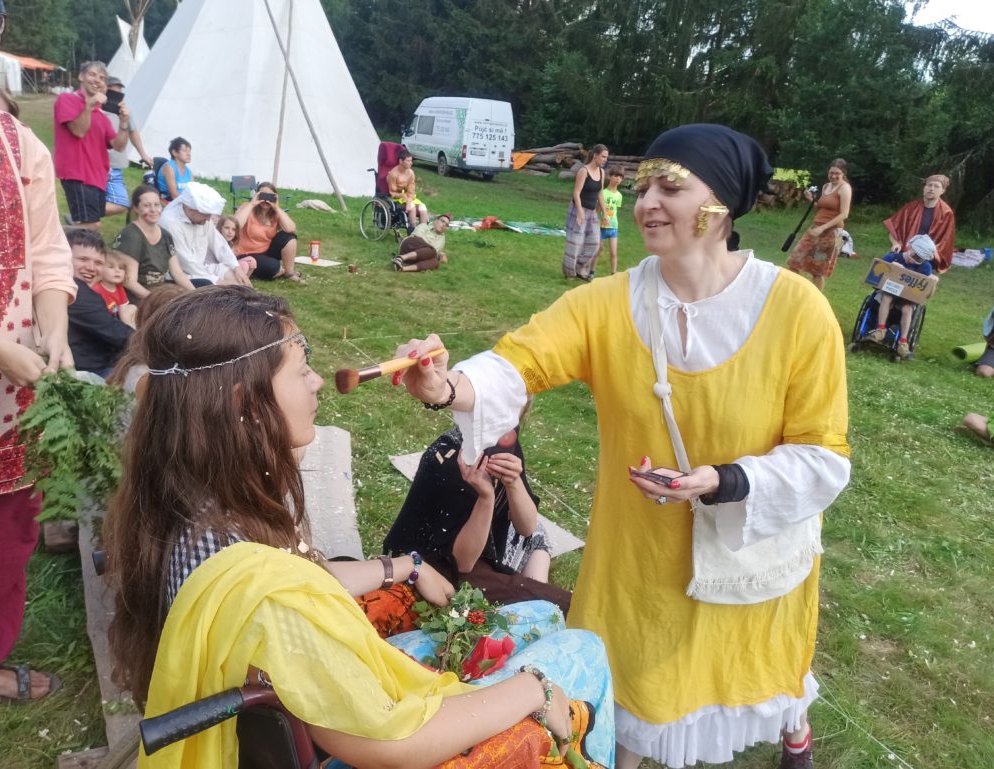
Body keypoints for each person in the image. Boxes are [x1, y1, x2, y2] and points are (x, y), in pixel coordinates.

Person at [395, 123, 851, 769]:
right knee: (631, 686)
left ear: (722, 203)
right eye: (642, 188)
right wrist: (447, 387)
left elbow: (822, 452)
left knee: (759, 661)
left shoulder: (797, 310)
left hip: (746, 536)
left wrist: (725, 480)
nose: (646, 204)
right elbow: (520, 361)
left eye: (671, 187)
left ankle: (792, 728)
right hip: (639, 550)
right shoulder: (608, 302)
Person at [104, 286, 615, 769]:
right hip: (374, 740)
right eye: (302, 369)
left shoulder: (197, 502)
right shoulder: (266, 594)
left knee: (539, 615)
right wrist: (533, 688)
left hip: (319, 709)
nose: (318, 381)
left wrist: (406, 565)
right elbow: (394, 741)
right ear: (247, 404)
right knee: (584, 650)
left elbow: (306, 578)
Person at [0, 0, 77, 703]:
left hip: (8, 385)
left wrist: (54, 330)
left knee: (3, 522)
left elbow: (47, 250)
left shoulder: (18, 141)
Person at [383, 420, 572, 611]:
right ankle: (537, 603)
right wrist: (486, 497)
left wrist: (513, 482)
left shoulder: (502, 439)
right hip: (440, 570)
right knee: (562, 606)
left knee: (538, 533)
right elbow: (461, 565)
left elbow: (527, 528)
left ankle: (537, 599)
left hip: (483, 550)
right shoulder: (451, 460)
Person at [53, 60, 129, 230]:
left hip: (98, 178)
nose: (97, 80)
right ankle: (51, 237)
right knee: (91, 226)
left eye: (102, 78)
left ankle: (55, 236)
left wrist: (124, 123)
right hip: (78, 174)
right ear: (81, 76)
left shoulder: (101, 116)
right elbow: (78, 131)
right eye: (92, 74)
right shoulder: (67, 99)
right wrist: (89, 105)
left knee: (89, 227)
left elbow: (119, 146)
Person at [66, 229, 133, 377]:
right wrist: (153, 342)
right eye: (83, 259)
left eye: (98, 263)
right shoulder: (75, 292)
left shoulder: (80, 289)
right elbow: (117, 333)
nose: (91, 267)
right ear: (64, 257)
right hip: (93, 370)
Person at [160, 182, 254, 287]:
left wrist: (237, 268)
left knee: (233, 276)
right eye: (206, 215)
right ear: (191, 209)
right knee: (217, 285)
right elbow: (187, 263)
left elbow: (219, 244)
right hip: (181, 275)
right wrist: (218, 281)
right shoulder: (171, 223)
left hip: (201, 268)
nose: (209, 219)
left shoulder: (201, 218)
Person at [111, 184, 195, 300]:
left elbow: (177, 273)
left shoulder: (165, 235)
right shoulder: (131, 235)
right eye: (146, 205)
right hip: (138, 296)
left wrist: (197, 296)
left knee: (203, 285)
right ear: (136, 208)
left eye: (157, 205)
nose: (153, 210)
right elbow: (129, 282)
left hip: (159, 290)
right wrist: (156, 301)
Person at [865, 234, 937, 357]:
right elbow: (875, 276)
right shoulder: (893, 257)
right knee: (887, 297)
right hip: (888, 293)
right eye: (914, 256)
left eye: (919, 260)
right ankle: (880, 330)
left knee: (908, 308)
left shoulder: (925, 267)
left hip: (907, 299)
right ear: (910, 247)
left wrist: (933, 283)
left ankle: (903, 343)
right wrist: (890, 268)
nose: (914, 261)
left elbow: (925, 295)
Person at [786, 159, 852, 291]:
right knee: (794, 260)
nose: (833, 176)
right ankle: (797, 291)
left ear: (843, 173)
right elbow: (822, 209)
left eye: (837, 173)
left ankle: (815, 298)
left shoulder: (845, 188)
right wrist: (811, 199)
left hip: (832, 234)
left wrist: (823, 228)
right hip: (815, 229)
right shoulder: (826, 186)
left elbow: (844, 214)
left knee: (818, 269)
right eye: (831, 172)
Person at [102, 75, 153, 217]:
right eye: (113, 92)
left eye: (119, 93)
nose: (116, 96)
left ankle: (86, 216)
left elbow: (133, 131)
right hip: (99, 162)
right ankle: (85, 216)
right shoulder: (95, 109)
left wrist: (143, 154)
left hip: (116, 163)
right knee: (102, 198)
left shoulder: (124, 111)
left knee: (120, 203)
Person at [884, 174, 956, 273]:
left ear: (942, 191)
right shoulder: (910, 208)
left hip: (923, 259)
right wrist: (895, 243)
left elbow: (945, 242)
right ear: (924, 187)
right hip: (905, 254)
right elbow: (894, 231)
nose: (931, 189)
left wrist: (932, 254)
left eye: (936, 186)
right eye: (929, 185)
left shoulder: (946, 213)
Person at [236, 181, 301, 282]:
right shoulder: (247, 207)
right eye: (263, 196)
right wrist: (252, 204)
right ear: (257, 195)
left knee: (289, 237)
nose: (266, 200)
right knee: (273, 266)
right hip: (246, 253)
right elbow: (236, 224)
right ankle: (276, 270)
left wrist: (276, 207)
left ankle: (289, 273)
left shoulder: (275, 213)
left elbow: (291, 228)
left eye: (270, 196)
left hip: (266, 251)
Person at [563, 144, 609, 282]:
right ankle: (569, 272)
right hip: (578, 209)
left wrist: (605, 213)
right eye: (603, 156)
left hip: (592, 212)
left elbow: (600, 193)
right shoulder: (584, 171)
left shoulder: (602, 172)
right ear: (595, 155)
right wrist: (580, 212)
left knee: (594, 243)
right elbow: (576, 193)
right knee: (575, 243)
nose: (605, 159)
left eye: (606, 157)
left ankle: (580, 269)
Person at [589, 165, 624, 278]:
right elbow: (597, 210)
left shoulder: (619, 196)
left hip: (613, 227)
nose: (618, 179)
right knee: (598, 250)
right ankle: (591, 273)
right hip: (602, 227)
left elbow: (615, 210)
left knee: (614, 253)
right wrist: (595, 222)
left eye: (620, 177)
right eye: (616, 176)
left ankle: (613, 275)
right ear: (610, 176)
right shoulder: (603, 193)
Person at [90, 249, 138, 328]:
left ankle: (131, 329)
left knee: (133, 307)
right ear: (100, 269)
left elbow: (123, 309)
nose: (117, 271)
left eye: (121, 268)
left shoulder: (119, 288)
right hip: (103, 321)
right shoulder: (96, 290)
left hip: (117, 318)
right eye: (111, 267)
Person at [387, 149, 428, 229]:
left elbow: (411, 190)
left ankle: (423, 231)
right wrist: (403, 196)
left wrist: (408, 201)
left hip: (408, 198)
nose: (411, 163)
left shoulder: (411, 173)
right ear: (401, 161)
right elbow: (392, 193)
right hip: (396, 199)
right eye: (408, 161)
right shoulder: (393, 174)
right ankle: (412, 230)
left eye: (411, 160)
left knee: (423, 207)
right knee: (412, 207)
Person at [157, 136, 192, 202]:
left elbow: (192, 192)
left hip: (183, 201)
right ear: (175, 153)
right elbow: (174, 195)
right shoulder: (169, 168)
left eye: (189, 151)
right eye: (185, 151)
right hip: (168, 200)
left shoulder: (189, 172)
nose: (189, 154)